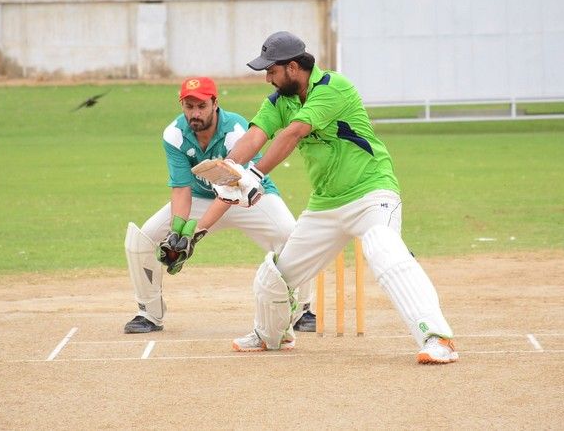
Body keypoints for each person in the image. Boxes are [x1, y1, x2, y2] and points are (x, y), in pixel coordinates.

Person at [211, 32, 457, 364]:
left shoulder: (333, 87)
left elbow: (294, 132)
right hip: (325, 204)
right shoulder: (279, 101)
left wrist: (255, 174)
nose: (268, 78)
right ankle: (271, 335)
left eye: (272, 71)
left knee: (383, 249)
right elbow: (256, 135)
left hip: (371, 192)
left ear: (293, 68)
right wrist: (230, 171)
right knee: (276, 277)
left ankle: (437, 338)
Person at [123, 76, 316, 334]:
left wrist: (196, 232)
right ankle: (149, 313)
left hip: (249, 197)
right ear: (181, 105)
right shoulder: (174, 134)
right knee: (143, 239)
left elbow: (232, 190)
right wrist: (178, 232)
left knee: (291, 235)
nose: (195, 113)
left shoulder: (235, 130)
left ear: (215, 103)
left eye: (202, 106)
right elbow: (181, 188)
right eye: (189, 106)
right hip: (201, 198)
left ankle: (303, 311)